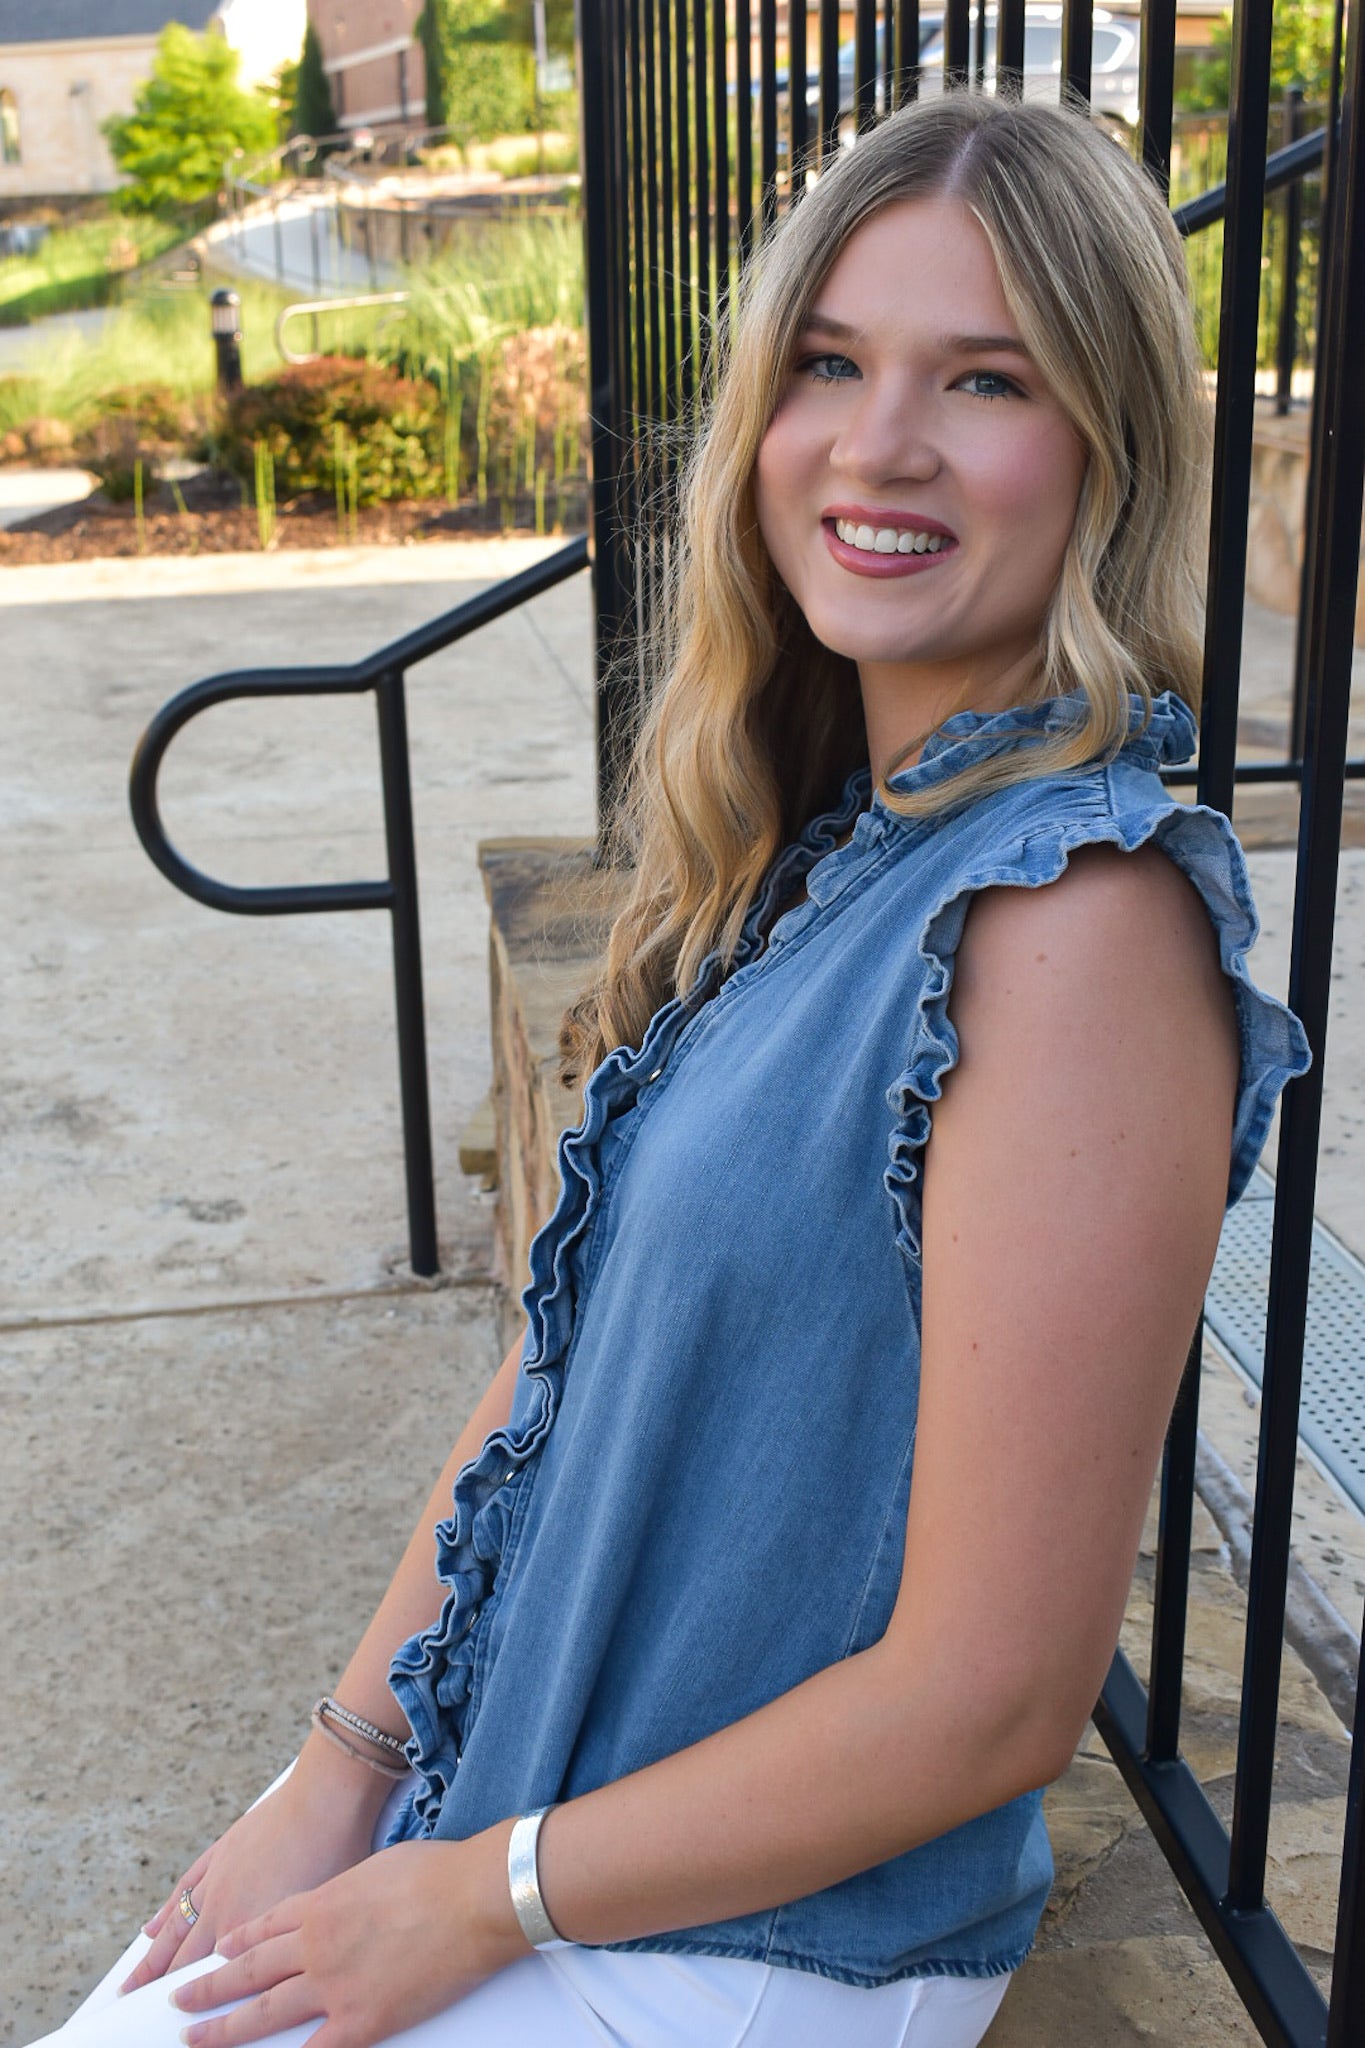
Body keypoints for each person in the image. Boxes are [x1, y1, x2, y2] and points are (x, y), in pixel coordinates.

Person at [33, 90, 1309, 2048]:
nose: (875, 445)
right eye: (827, 362)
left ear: (1104, 445)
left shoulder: (1070, 926)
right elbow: (550, 1381)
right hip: (518, 1809)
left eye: (981, 378)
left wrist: (474, 1894)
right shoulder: (826, 853)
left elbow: (988, 1688)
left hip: (741, 1940)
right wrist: (338, 1771)